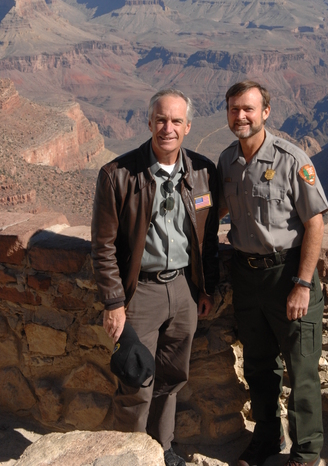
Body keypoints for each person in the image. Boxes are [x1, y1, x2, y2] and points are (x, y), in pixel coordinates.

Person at [91, 89, 219, 466]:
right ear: (149, 123)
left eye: (176, 121)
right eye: (161, 120)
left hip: (183, 291)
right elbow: (103, 246)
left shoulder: (202, 172)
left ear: (188, 127)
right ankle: (129, 458)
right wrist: (114, 303)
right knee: (135, 383)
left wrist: (206, 288)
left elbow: (207, 237)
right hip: (139, 294)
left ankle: (162, 452)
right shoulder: (117, 175)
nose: (168, 128)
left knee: (172, 379)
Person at [218, 81, 328, 466]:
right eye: (234, 109)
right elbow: (213, 211)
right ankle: (267, 439)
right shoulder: (227, 161)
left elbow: (315, 223)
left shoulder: (291, 158)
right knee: (259, 367)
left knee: (301, 371)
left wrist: (301, 284)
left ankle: (306, 452)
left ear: (266, 112)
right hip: (247, 278)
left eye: (248, 109)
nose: (241, 116)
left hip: (289, 275)